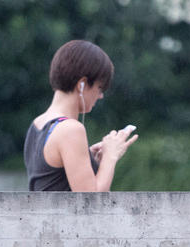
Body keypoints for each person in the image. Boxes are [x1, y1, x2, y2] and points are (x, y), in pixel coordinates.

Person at [24, 40, 138, 191]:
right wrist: (110, 156)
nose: (100, 96)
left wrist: (90, 160)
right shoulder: (70, 130)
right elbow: (91, 201)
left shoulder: (37, 124)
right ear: (82, 84)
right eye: (100, 88)